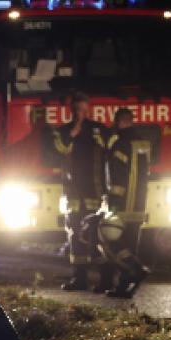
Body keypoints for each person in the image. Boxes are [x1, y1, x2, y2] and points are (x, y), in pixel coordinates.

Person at [53, 92, 110, 291]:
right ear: (71, 111)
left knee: (98, 236)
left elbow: (109, 152)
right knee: (75, 235)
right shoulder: (63, 132)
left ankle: (106, 280)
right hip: (73, 194)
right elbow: (59, 150)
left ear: (89, 110)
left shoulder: (100, 130)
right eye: (77, 110)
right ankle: (80, 279)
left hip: (95, 192)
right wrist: (74, 132)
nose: (80, 114)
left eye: (84, 110)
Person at [96, 108, 152, 298]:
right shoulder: (143, 142)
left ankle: (136, 270)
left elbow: (117, 176)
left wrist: (113, 203)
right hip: (139, 204)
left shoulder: (121, 143)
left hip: (122, 205)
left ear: (119, 121)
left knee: (113, 244)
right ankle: (125, 287)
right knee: (130, 244)